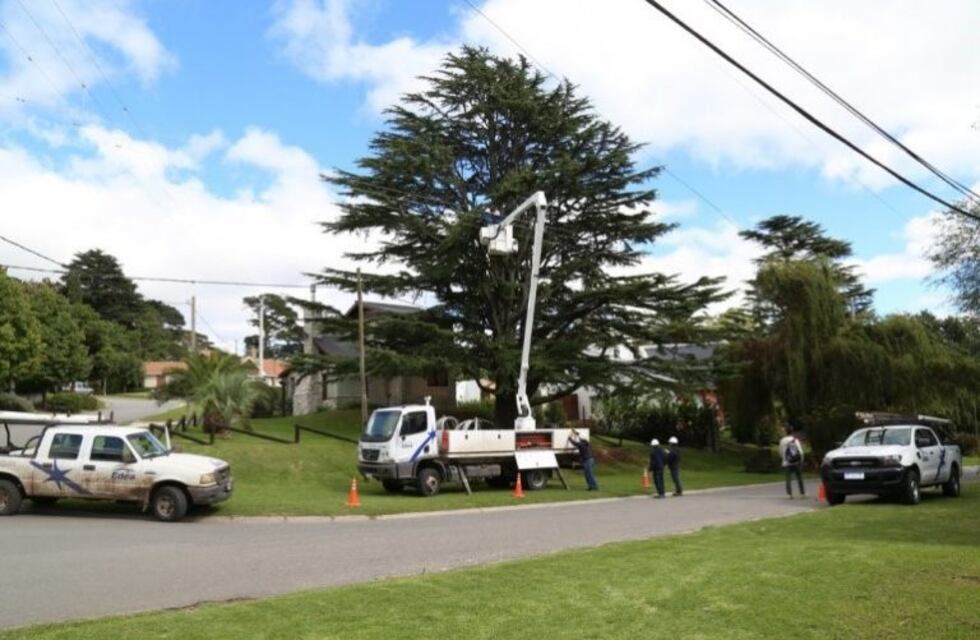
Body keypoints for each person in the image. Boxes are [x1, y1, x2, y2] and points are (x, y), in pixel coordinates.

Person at [779, 428, 806, 498]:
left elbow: (781, 452)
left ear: (786, 433)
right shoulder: (795, 440)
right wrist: (801, 460)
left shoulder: (782, 440)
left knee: (788, 479)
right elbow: (800, 451)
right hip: (796, 462)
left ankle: (789, 494)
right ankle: (802, 493)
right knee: (799, 478)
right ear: (792, 433)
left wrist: (784, 458)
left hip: (787, 462)